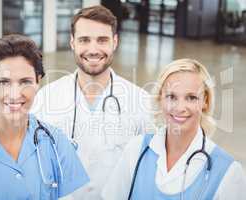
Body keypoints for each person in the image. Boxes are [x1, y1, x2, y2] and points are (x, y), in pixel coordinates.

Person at [0, 34, 89, 200]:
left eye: (25, 82)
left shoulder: (57, 142)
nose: (14, 94)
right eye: (4, 82)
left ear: (38, 81)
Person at [31, 5, 152, 200]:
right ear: (72, 43)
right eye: (84, 40)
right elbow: (36, 166)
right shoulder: (46, 99)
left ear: (115, 42)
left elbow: (148, 170)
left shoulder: (141, 102)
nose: (93, 49)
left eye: (102, 40)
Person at [102, 58, 246, 199]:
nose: (180, 108)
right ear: (160, 99)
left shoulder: (228, 172)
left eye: (191, 97)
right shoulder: (136, 150)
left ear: (205, 102)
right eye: (171, 96)